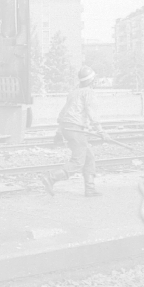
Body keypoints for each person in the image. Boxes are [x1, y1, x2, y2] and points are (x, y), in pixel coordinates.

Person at [42, 66, 103, 197]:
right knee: (78, 162)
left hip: (67, 128)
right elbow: (92, 112)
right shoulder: (89, 93)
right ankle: (51, 177)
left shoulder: (73, 93)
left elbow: (63, 113)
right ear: (91, 80)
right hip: (75, 129)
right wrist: (101, 131)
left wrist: (59, 132)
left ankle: (90, 189)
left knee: (89, 157)